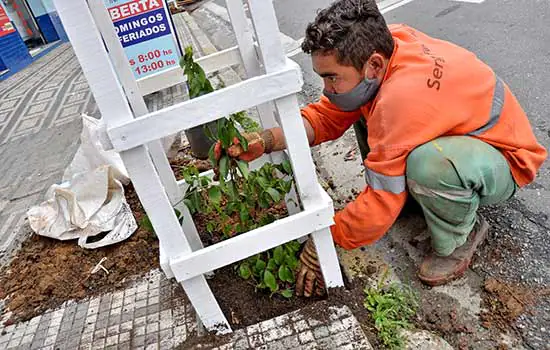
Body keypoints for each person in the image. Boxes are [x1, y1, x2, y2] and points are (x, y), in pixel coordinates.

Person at [216, 0, 547, 296]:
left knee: (428, 165)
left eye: (332, 78)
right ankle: (422, 200)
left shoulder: (400, 98)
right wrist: (268, 140)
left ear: (373, 65)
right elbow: (330, 114)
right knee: (366, 109)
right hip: (459, 136)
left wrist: (328, 238)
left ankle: (461, 237)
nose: (327, 89)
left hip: (504, 159)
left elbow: (380, 200)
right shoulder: (388, 46)